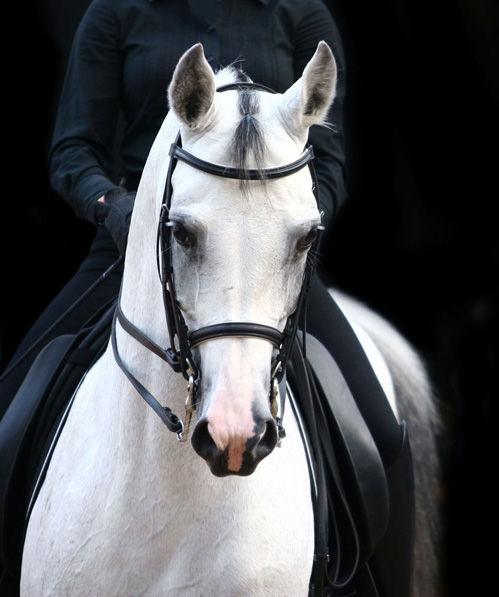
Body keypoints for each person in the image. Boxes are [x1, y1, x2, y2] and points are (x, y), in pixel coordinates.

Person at [0, 0, 402, 469]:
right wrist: (123, 211)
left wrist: (289, 238)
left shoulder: (300, 14)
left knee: (383, 433)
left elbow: (328, 165)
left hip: (269, 259)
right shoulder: (116, 12)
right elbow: (74, 152)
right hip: (138, 242)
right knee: (11, 409)